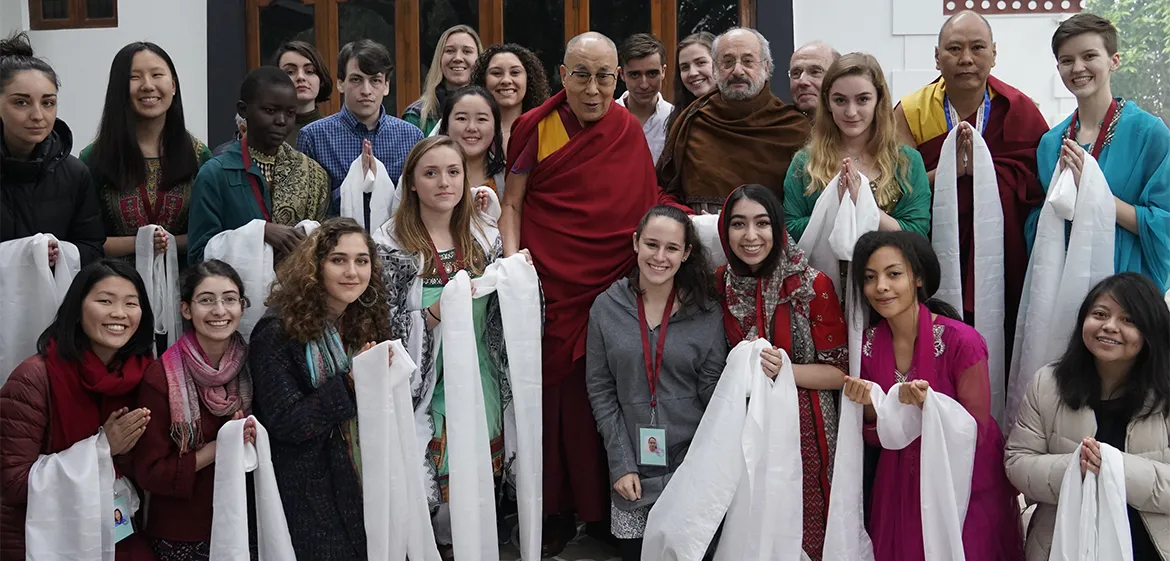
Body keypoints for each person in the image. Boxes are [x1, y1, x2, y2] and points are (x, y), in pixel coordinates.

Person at [499, 31, 684, 556]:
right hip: (550, 283)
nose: (594, 88)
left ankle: (607, 510)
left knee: (611, 393)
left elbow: (639, 206)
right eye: (582, 75)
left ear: (617, 77)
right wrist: (515, 266)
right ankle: (555, 509)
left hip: (612, 285)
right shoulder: (536, 127)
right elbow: (513, 203)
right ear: (563, 76)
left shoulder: (626, 131)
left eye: (605, 76)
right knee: (555, 400)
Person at [841, 231, 1023, 561]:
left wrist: (931, 407)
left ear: (918, 278)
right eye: (869, 278)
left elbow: (977, 431)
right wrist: (869, 406)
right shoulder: (866, 346)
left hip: (962, 480)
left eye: (894, 274)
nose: (881, 287)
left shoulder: (961, 342)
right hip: (898, 483)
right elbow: (876, 437)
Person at [374, 135, 512, 553]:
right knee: (433, 476)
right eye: (431, 173)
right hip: (425, 381)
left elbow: (503, 312)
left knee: (477, 470)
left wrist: (519, 280)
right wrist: (433, 315)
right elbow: (379, 324)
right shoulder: (390, 244)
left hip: (479, 373)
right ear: (412, 183)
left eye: (453, 172)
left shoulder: (484, 236)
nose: (444, 182)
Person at [586, 205, 726, 561]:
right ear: (636, 243)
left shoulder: (707, 312)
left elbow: (714, 394)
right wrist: (621, 464)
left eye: (672, 248)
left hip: (692, 469)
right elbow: (601, 391)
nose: (660, 257)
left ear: (686, 253)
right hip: (632, 473)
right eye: (651, 244)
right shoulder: (606, 307)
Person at [895, 10, 1048, 334]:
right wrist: (949, 173)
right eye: (954, 48)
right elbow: (898, 190)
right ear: (937, 57)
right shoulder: (910, 112)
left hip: (1003, 251)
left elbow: (1038, 186)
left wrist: (986, 172)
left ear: (994, 54)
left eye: (977, 47)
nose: (966, 58)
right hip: (931, 248)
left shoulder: (1020, 109)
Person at [716, 184, 846, 560]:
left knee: (804, 526)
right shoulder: (719, 284)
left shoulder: (810, 285)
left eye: (762, 223)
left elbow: (839, 373)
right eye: (738, 224)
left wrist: (785, 369)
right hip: (741, 425)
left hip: (806, 429)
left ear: (778, 227)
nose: (751, 236)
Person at [249, 217, 391, 561]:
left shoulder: (364, 318)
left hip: (366, 474)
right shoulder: (276, 331)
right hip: (309, 490)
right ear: (314, 267)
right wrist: (351, 383)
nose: (352, 272)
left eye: (361, 260)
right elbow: (286, 423)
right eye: (338, 260)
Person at [1005, 272, 1170, 560]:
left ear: (1151, 330)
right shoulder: (1048, 384)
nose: (1110, 326)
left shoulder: (1166, 391)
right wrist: (1076, 467)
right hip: (1062, 544)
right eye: (1100, 314)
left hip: (1150, 547)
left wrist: (1114, 467)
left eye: (1128, 319)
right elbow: (1017, 463)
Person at [0, 260, 157, 559]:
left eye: (131, 303)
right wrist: (101, 448)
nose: (119, 313)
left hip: (121, 533)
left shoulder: (143, 376)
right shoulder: (34, 378)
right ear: (76, 310)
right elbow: (13, 485)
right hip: (43, 540)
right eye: (105, 301)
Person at [1027, 14, 1170, 292]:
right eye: (1067, 60)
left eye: (1089, 56)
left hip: (1125, 284)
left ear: (1114, 61)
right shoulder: (1050, 143)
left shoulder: (1149, 133)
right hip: (1063, 281)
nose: (1078, 67)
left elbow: (1163, 225)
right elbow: (1036, 223)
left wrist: (1092, 192)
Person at [133, 259, 256, 559]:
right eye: (206, 300)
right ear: (186, 309)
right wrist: (220, 446)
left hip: (244, 520)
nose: (220, 311)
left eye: (229, 299)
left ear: (242, 307)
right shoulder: (161, 377)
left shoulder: (252, 365)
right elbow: (150, 473)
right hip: (184, 530)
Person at [81, 42, 212, 269]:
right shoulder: (94, 158)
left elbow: (210, 233)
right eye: (134, 77)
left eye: (157, 75)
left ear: (173, 85)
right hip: (117, 282)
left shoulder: (199, 155)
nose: (148, 86)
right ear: (118, 89)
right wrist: (141, 243)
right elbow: (86, 240)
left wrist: (167, 242)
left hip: (185, 282)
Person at [187, 66, 330, 263]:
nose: (281, 121)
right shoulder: (215, 174)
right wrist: (259, 233)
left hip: (297, 282)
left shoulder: (313, 174)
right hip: (233, 282)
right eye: (270, 111)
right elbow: (198, 254)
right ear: (243, 110)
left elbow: (325, 249)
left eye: (290, 112)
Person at [659, 28, 810, 213]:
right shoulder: (692, 121)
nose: (737, 71)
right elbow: (665, 189)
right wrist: (689, 218)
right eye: (728, 62)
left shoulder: (795, 127)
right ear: (715, 69)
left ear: (766, 67)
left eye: (748, 61)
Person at [785, 53, 931, 243]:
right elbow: (790, 230)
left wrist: (863, 204)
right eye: (840, 100)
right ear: (827, 103)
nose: (851, 112)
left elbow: (917, 233)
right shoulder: (805, 162)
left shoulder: (906, 160)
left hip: (887, 262)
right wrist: (834, 205)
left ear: (879, 100)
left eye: (862, 100)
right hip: (821, 264)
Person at [0, 32, 105, 266]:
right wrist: (20, 256)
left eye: (48, 103)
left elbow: (92, 247)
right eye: (21, 102)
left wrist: (58, 254)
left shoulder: (75, 174)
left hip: (56, 288)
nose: (38, 115)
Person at [298, 39, 423, 217]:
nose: (366, 90)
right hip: (335, 233)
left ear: (386, 86)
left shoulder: (411, 137)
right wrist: (353, 186)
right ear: (341, 83)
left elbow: (419, 202)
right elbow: (307, 209)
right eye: (356, 80)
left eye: (375, 80)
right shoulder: (314, 137)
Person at [404, 25, 483, 135]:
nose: (458, 58)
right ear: (439, 59)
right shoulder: (416, 116)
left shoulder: (493, 112)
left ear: (479, 59)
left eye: (467, 51)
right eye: (450, 51)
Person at [471, 43, 550, 151]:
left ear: (529, 79)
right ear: (483, 80)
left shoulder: (547, 128)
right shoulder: (468, 129)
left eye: (515, 72)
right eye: (496, 73)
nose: (506, 80)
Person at [616, 34, 673, 164]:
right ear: (621, 74)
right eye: (635, 75)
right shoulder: (606, 118)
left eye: (652, 73)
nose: (644, 85)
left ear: (663, 72)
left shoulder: (675, 119)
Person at [437, 86, 506, 194]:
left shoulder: (510, 178)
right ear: (446, 126)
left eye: (481, 119)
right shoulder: (424, 173)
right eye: (462, 118)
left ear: (495, 127)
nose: (471, 127)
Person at [273, 40, 333, 147]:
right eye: (290, 72)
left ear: (321, 79)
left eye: (309, 71)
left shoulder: (335, 132)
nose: (300, 77)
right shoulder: (268, 133)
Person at [664, 32, 714, 133]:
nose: (692, 73)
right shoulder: (678, 120)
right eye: (685, 67)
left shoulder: (739, 113)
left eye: (701, 63)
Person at [788, 41, 840, 120]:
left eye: (815, 72)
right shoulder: (782, 125)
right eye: (796, 73)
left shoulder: (854, 124)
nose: (802, 81)